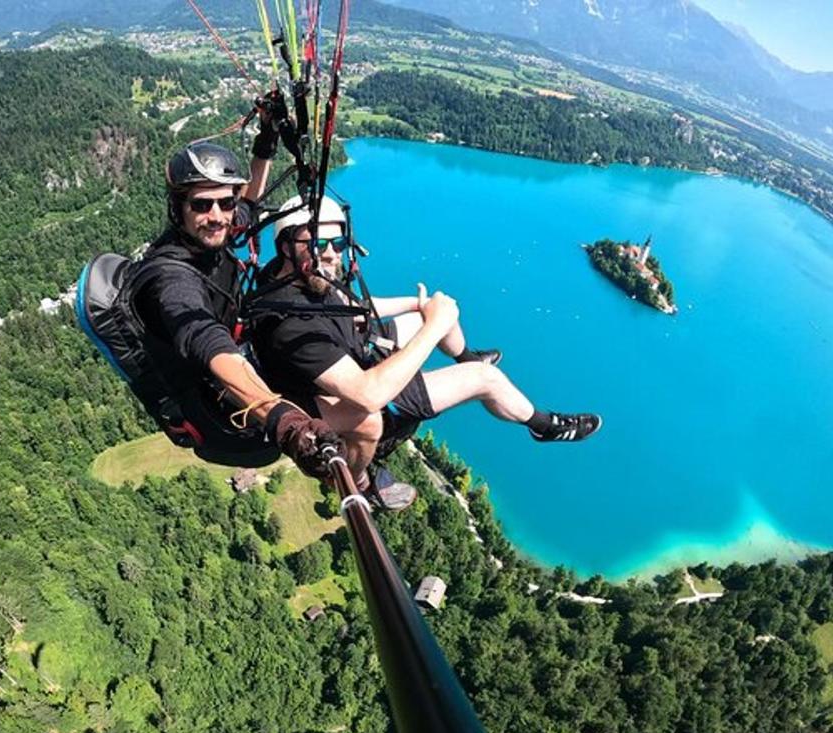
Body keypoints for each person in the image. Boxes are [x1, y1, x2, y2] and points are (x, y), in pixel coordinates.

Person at [250, 195, 603, 509]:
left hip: (347, 354)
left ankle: (466, 356)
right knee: (486, 379)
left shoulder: (294, 274)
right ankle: (544, 425)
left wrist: (420, 308)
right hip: (348, 396)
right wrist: (433, 326)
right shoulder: (290, 322)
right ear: (286, 245)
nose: (329, 253)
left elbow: (346, 305)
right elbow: (367, 395)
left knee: (437, 310)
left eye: (338, 243)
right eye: (317, 243)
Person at [123, 115, 341, 477]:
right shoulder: (170, 277)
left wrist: (266, 141)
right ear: (178, 208)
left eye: (225, 203)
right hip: (224, 417)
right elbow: (206, 340)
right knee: (350, 402)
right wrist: (286, 423)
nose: (218, 216)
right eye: (202, 205)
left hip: (242, 365)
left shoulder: (210, 232)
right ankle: (358, 477)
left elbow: (250, 203)